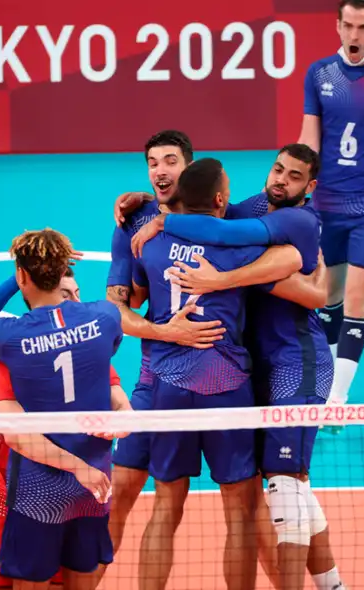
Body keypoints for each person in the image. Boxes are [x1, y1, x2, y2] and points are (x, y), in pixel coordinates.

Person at [137, 145, 347, 590]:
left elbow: (314, 294)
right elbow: (208, 214)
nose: (280, 180)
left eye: (294, 176)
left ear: (310, 187)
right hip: (238, 375)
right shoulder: (242, 214)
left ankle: (328, 584)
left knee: (285, 479)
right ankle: (332, 585)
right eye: (277, 169)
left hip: (291, 361)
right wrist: (143, 202)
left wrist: (161, 221)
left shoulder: (298, 220)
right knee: (267, 495)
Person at [0, 228, 125, 589]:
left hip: (38, 492)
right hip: (95, 486)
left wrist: (17, 277)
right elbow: (106, 356)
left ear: (23, 276)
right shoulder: (104, 317)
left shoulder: (11, 337)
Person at [102, 130, 230, 584]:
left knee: (247, 507)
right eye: (153, 163)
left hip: (225, 383)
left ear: (190, 167)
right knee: (123, 494)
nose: (160, 171)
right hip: (157, 382)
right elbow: (118, 309)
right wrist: (163, 330)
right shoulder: (132, 225)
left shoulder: (225, 215)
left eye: (171, 161)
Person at [298, 0, 364, 412]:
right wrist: (297, 187)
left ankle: (337, 400)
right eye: (348, 26)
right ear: (337, 26)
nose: (353, 36)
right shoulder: (320, 73)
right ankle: (330, 381)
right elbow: (310, 138)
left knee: (357, 299)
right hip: (328, 204)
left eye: (362, 27)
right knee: (327, 298)